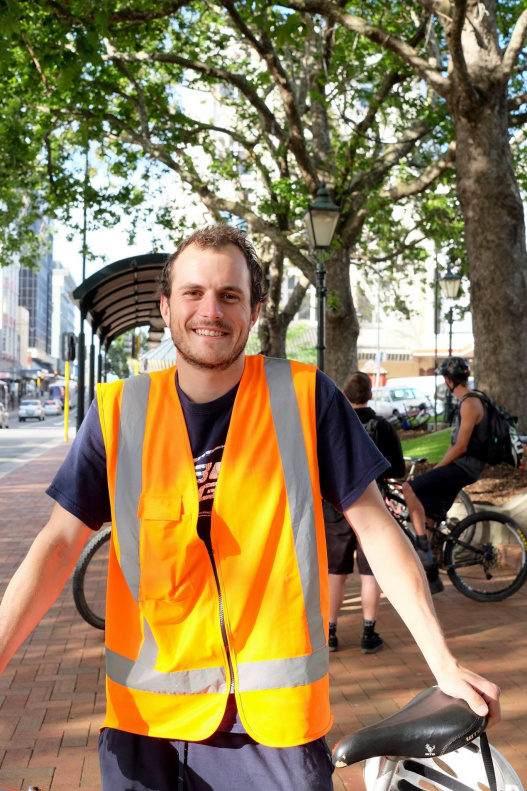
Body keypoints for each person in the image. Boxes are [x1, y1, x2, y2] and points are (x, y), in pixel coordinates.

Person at [0, 229, 499, 791]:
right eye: (192, 294)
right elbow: (58, 543)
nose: (209, 311)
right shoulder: (117, 412)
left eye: (229, 296)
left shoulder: (308, 397)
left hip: (273, 734)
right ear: (165, 308)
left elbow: (376, 528)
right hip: (144, 728)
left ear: (255, 310)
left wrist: (442, 663)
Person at [326, 371, 406, 655]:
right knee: (371, 572)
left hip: (335, 510)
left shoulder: (333, 422)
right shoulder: (383, 426)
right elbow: (397, 471)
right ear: (371, 395)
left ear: (345, 395)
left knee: (335, 573)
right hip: (372, 509)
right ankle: (368, 633)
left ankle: (331, 633)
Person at [403, 357, 488, 592]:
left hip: (463, 468)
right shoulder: (468, 402)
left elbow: (460, 447)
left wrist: (439, 467)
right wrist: (439, 466)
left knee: (409, 488)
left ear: (449, 381)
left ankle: (421, 546)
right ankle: (432, 579)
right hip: (461, 468)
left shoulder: (469, 404)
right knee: (429, 515)